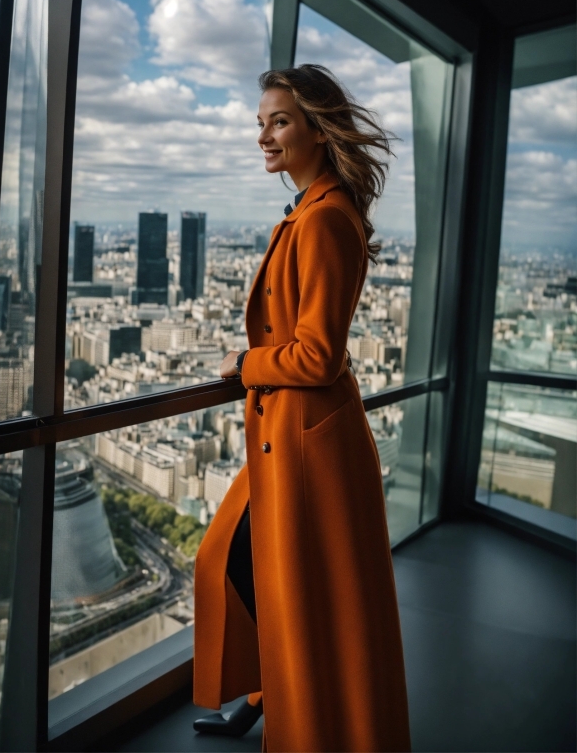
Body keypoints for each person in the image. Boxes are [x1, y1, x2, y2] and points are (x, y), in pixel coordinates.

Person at [192, 64, 411, 752]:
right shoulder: (314, 211)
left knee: (287, 586)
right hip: (290, 441)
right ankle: (273, 700)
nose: (264, 135)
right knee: (264, 575)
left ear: (319, 128)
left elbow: (317, 355)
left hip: (303, 444)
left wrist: (244, 365)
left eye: (278, 121)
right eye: (261, 123)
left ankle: (292, 715)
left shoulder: (322, 221)